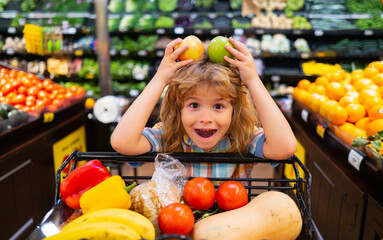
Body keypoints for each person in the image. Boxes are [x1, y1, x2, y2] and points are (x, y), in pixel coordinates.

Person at [110, 37, 297, 178]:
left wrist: (254, 81)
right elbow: (122, 142)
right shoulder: (170, 135)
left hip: (232, 225)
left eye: (218, 106)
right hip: (179, 224)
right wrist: (159, 80)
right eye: (194, 105)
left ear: (235, 109)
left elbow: (285, 148)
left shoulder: (242, 137)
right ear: (178, 108)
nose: (205, 118)